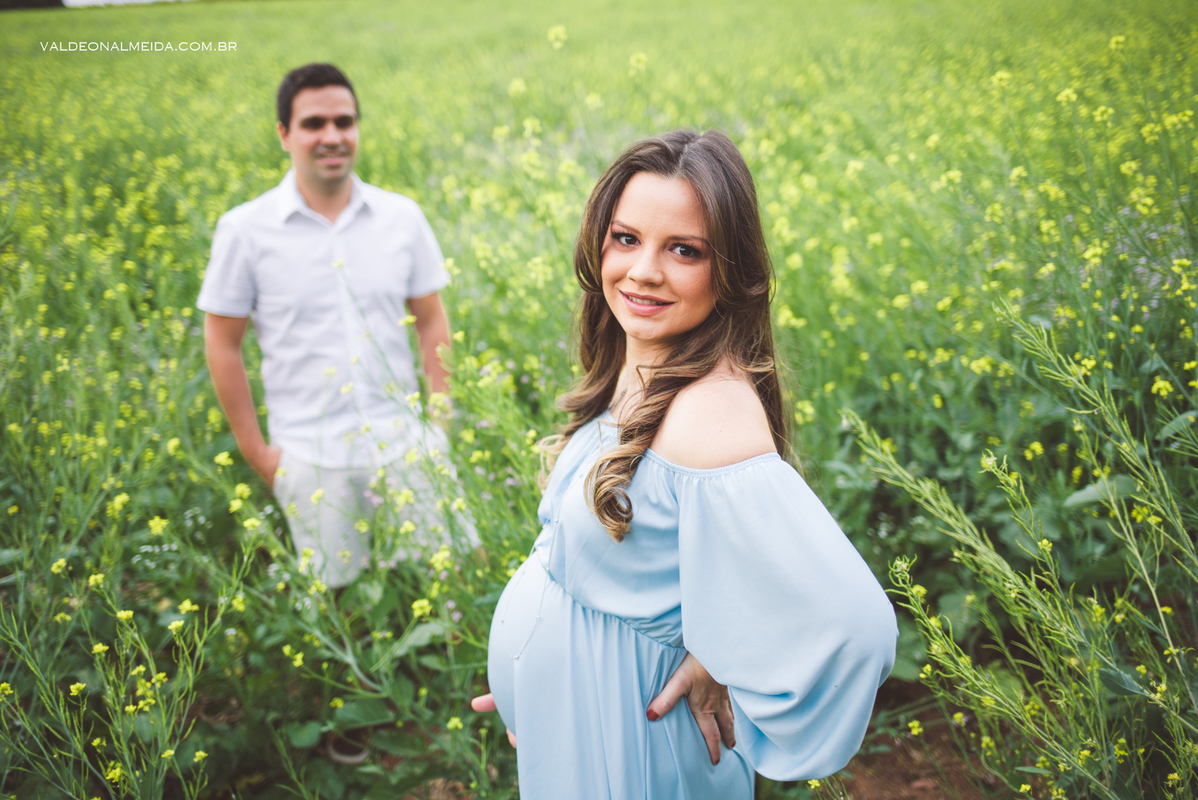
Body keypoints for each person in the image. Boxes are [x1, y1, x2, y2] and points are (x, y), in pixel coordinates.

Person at [471, 130, 897, 798]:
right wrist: (542, 676)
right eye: (626, 238)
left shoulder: (708, 415)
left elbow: (856, 627)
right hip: (584, 724)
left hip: (635, 739)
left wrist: (726, 656)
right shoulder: (644, 365)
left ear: (729, 270)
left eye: (684, 250)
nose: (643, 270)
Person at [198, 63, 469, 588]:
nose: (332, 136)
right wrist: (259, 454)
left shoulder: (401, 218)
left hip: (407, 443)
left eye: (344, 122)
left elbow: (432, 319)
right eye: (314, 123)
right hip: (311, 455)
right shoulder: (245, 231)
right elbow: (222, 343)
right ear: (284, 135)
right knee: (337, 604)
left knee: (450, 581)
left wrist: (438, 425)